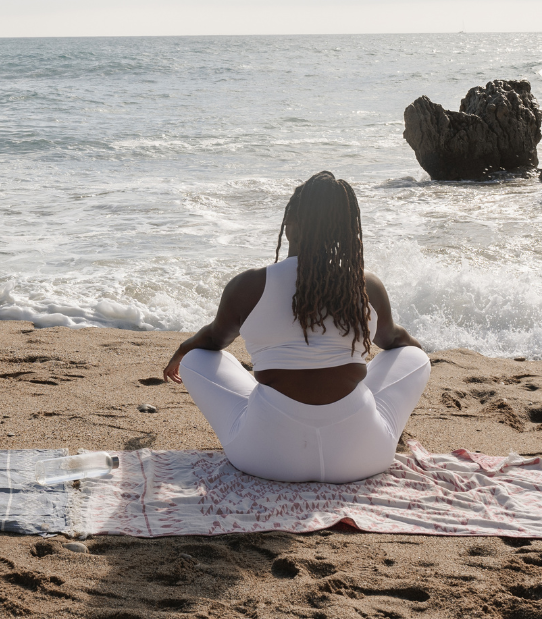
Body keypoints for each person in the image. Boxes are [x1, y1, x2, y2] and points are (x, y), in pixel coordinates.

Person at [163, 171, 430, 484]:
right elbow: (394, 340)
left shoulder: (249, 286)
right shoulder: (365, 285)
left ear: (290, 225)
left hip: (266, 458)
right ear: (346, 231)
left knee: (197, 358)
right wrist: (417, 349)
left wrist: (183, 349)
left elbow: (213, 339)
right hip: (362, 457)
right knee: (413, 357)